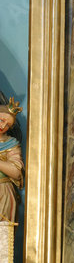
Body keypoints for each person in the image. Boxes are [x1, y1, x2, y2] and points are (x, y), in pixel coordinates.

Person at [0, 95, 24, 223]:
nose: (3, 126)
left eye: (8, 125)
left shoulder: (11, 144)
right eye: (1, 120)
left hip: (2, 191)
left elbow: (16, 171)